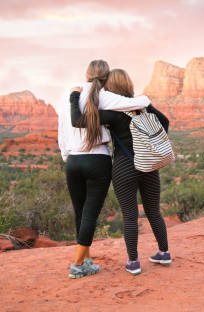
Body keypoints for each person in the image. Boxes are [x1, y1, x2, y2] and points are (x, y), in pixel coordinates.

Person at [70, 68, 171, 275]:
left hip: (125, 167)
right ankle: (164, 252)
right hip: (149, 164)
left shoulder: (113, 113)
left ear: (111, 88)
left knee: (130, 216)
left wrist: (74, 97)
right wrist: (150, 142)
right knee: (154, 211)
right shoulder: (144, 106)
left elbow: (78, 121)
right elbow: (166, 122)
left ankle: (133, 262)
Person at [57, 60, 151, 279]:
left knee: (80, 212)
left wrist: (66, 156)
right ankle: (78, 264)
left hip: (73, 160)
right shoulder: (105, 95)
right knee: (90, 213)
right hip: (97, 159)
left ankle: (86, 260)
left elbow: (63, 128)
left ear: (86, 73)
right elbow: (141, 102)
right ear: (106, 76)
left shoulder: (69, 93)